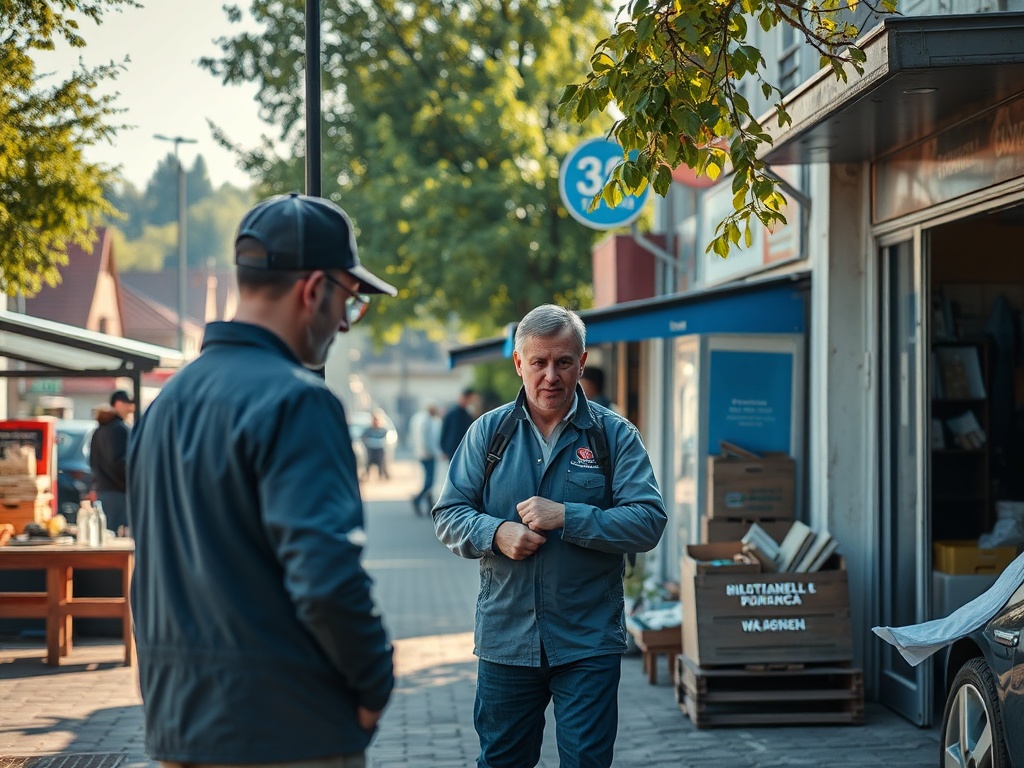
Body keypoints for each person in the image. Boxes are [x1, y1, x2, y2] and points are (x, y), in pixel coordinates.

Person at [127, 193, 396, 768]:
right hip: (288, 729)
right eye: (348, 301)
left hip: (179, 726)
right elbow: (326, 578)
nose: (344, 322)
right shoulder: (299, 402)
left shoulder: (163, 406)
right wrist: (376, 684)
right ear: (313, 289)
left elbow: (147, 574)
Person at [432, 304, 667, 768]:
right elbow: (448, 514)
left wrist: (568, 517)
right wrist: (495, 532)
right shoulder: (489, 433)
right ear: (519, 363)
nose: (551, 376)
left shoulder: (614, 436)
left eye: (563, 362)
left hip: (588, 639)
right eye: (538, 362)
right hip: (507, 638)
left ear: (582, 362)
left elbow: (647, 520)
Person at [89, 388, 135, 534]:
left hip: (103, 490)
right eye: (128, 404)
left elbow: (92, 461)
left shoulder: (99, 429)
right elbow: (120, 462)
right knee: (121, 536)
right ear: (118, 404)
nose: (132, 408)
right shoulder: (120, 428)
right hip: (119, 492)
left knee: (106, 534)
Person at [409, 402, 442, 515]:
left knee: (429, 479)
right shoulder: (426, 420)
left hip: (422, 453)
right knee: (430, 481)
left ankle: (429, 505)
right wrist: (434, 452)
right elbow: (427, 440)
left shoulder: (420, 418)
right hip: (427, 455)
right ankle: (418, 499)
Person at [440, 387, 477, 460]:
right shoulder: (452, 413)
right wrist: (444, 449)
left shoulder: (467, 415)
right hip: (452, 450)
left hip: (464, 449)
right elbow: (444, 430)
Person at [361, 410, 391, 481]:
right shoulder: (369, 430)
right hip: (371, 449)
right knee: (369, 463)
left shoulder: (383, 430)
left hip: (380, 449)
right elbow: (363, 438)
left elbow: (387, 439)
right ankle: (366, 475)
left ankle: (382, 476)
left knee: (381, 463)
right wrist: (368, 443)